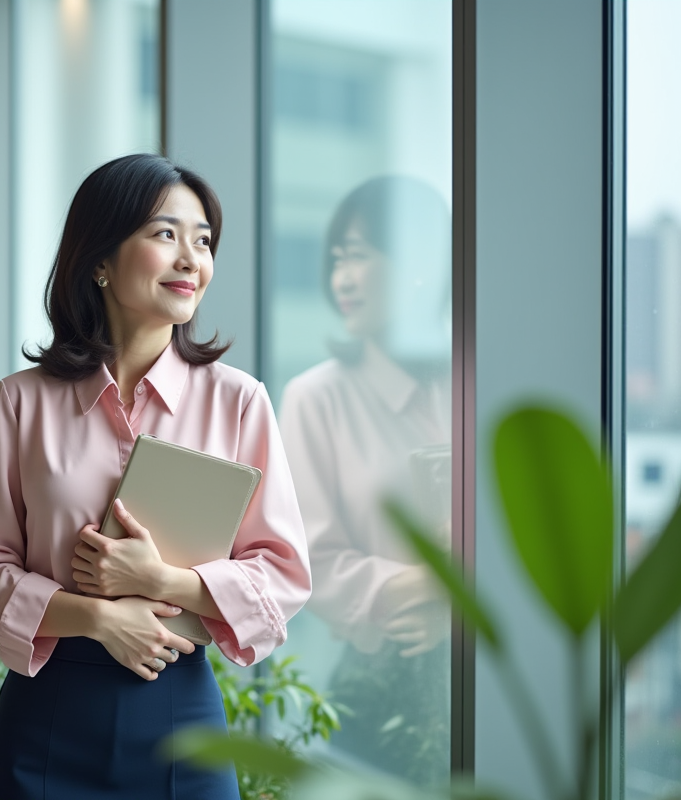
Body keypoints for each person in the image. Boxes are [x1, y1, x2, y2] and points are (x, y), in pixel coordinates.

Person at [0, 153, 312, 800]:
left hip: (180, 715)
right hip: (48, 714)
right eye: (165, 234)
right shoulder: (21, 402)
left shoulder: (239, 402)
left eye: (203, 241)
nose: (191, 258)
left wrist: (162, 582)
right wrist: (96, 618)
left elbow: (282, 574)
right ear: (99, 260)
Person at [277, 176, 452, 785]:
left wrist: (452, 613)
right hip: (381, 686)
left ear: (420, 266)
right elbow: (310, 562)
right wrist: (433, 589)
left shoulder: (476, 383)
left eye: (360, 255)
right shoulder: (315, 397)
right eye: (337, 259)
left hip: (489, 679)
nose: (342, 278)